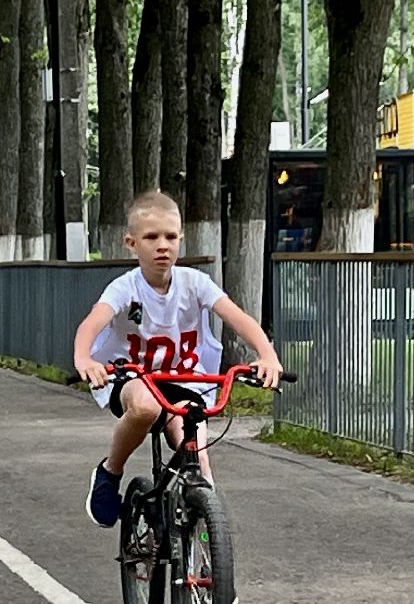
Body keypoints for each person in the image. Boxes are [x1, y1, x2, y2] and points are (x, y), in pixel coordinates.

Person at [73, 190, 283, 528]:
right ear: (131, 243)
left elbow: (237, 317)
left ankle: (202, 538)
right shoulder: (125, 288)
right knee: (146, 407)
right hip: (133, 379)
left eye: (171, 237)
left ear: (180, 240)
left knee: (198, 458)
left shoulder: (195, 283)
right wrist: (84, 358)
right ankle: (110, 471)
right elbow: (91, 323)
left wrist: (267, 355)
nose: (163, 246)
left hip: (184, 380)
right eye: (151, 237)